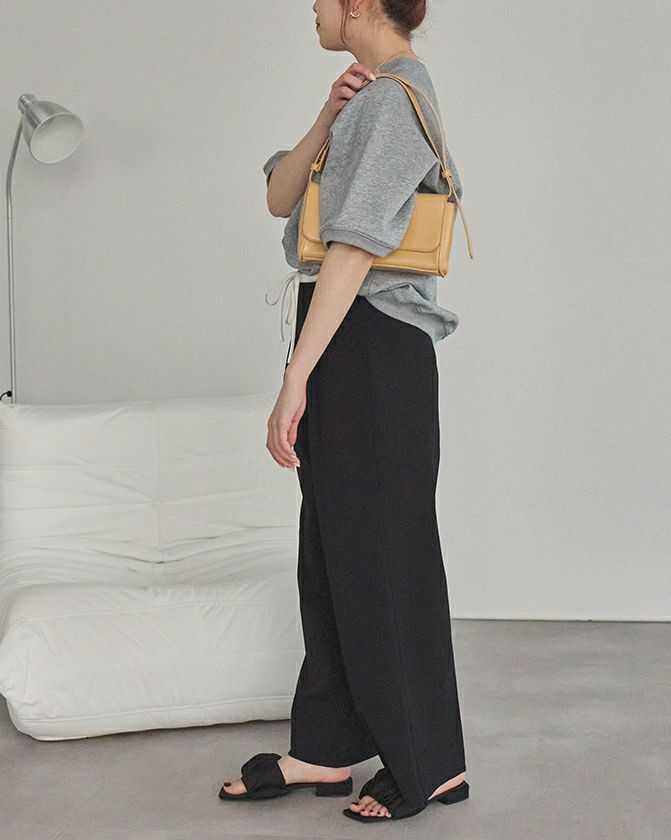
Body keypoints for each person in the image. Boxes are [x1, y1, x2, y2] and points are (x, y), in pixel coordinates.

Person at [219, 0, 471, 823]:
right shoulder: (367, 99)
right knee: (333, 549)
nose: (314, 7)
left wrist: (296, 375)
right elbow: (280, 199)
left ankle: (430, 763)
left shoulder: (398, 99)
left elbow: (356, 246)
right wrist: (326, 117)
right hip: (348, 340)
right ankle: (327, 748)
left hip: (373, 346)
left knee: (386, 555)